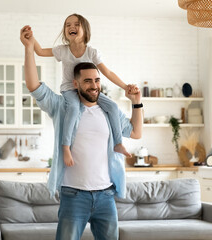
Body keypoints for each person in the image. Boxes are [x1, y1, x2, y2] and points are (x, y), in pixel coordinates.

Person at [21, 25, 143, 240]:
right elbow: (34, 86)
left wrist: (137, 103)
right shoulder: (62, 107)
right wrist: (29, 48)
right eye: (88, 81)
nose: (94, 86)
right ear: (75, 84)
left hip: (106, 196)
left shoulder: (108, 111)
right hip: (73, 195)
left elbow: (135, 133)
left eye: (97, 81)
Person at [25, 13, 137, 168]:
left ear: (85, 29)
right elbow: (40, 51)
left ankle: (118, 143)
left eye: (76, 24)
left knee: (112, 106)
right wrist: (31, 39)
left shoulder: (92, 52)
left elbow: (108, 73)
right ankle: (65, 147)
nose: (72, 27)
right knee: (73, 108)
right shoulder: (63, 50)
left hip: (89, 91)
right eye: (68, 25)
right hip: (70, 90)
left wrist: (125, 87)